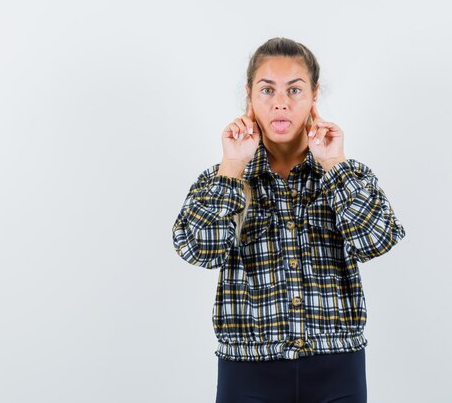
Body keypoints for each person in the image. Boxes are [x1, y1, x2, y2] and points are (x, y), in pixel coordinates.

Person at [172, 37, 406, 403]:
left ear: (314, 96)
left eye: (294, 90)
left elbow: (377, 241)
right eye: (267, 90)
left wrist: (333, 166)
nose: (281, 102)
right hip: (248, 371)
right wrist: (233, 166)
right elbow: (199, 250)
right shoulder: (222, 178)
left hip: (337, 369)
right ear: (249, 96)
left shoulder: (347, 172)